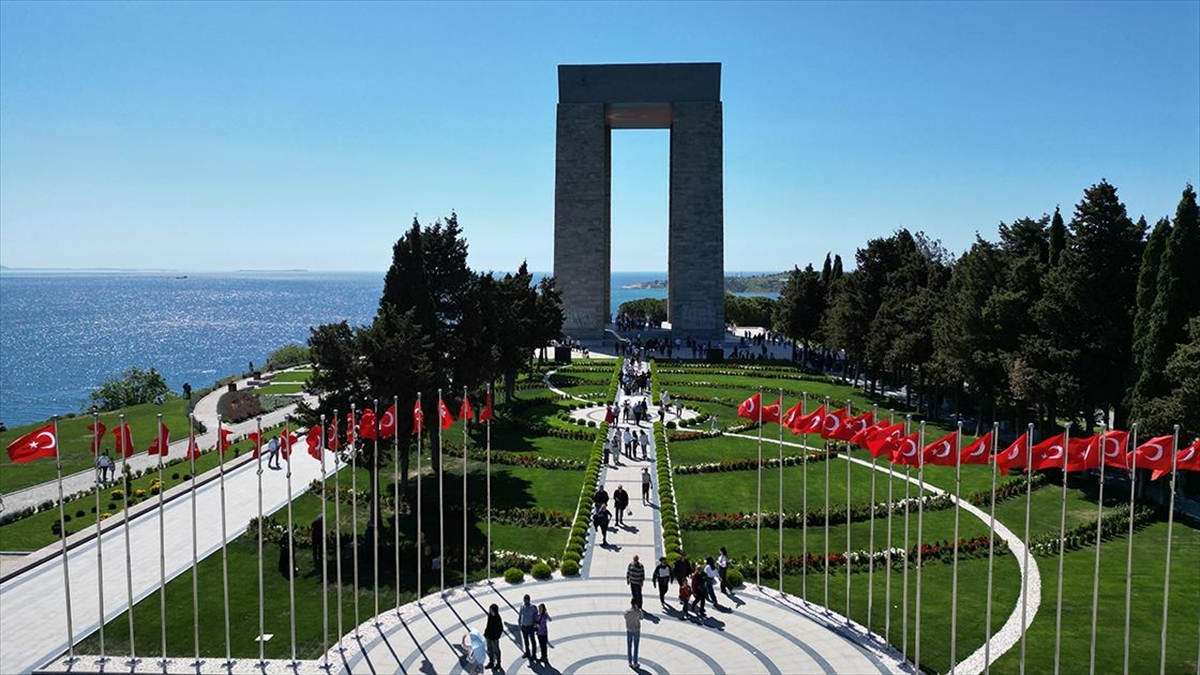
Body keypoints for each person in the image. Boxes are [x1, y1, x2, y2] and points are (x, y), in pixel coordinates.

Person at [624, 599, 644, 668]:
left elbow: (625, 617)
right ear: (635, 604)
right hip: (636, 630)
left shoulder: (627, 612)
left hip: (629, 630)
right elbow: (641, 618)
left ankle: (630, 662)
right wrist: (638, 610)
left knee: (629, 646)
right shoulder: (638, 612)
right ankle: (635, 662)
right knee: (636, 647)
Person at [484, 603, 503, 670]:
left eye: (491, 609)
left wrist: (497, 637)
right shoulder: (490, 616)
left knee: (496, 651)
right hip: (489, 636)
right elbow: (488, 625)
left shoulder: (498, 618)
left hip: (494, 638)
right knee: (490, 650)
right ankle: (491, 662)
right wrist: (486, 633)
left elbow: (500, 629)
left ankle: (498, 663)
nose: (490, 610)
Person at [518, 594, 537, 660]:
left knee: (532, 641)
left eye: (527, 599)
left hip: (530, 626)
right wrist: (519, 623)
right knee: (526, 641)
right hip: (524, 626)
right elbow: (520, 615)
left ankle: (534, 655)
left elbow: (536, 616)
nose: (526, 601)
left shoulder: (533, 607)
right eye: (525, 599)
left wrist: (535, 625)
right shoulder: (522, 606)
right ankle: (527, 652)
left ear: (529, 600)